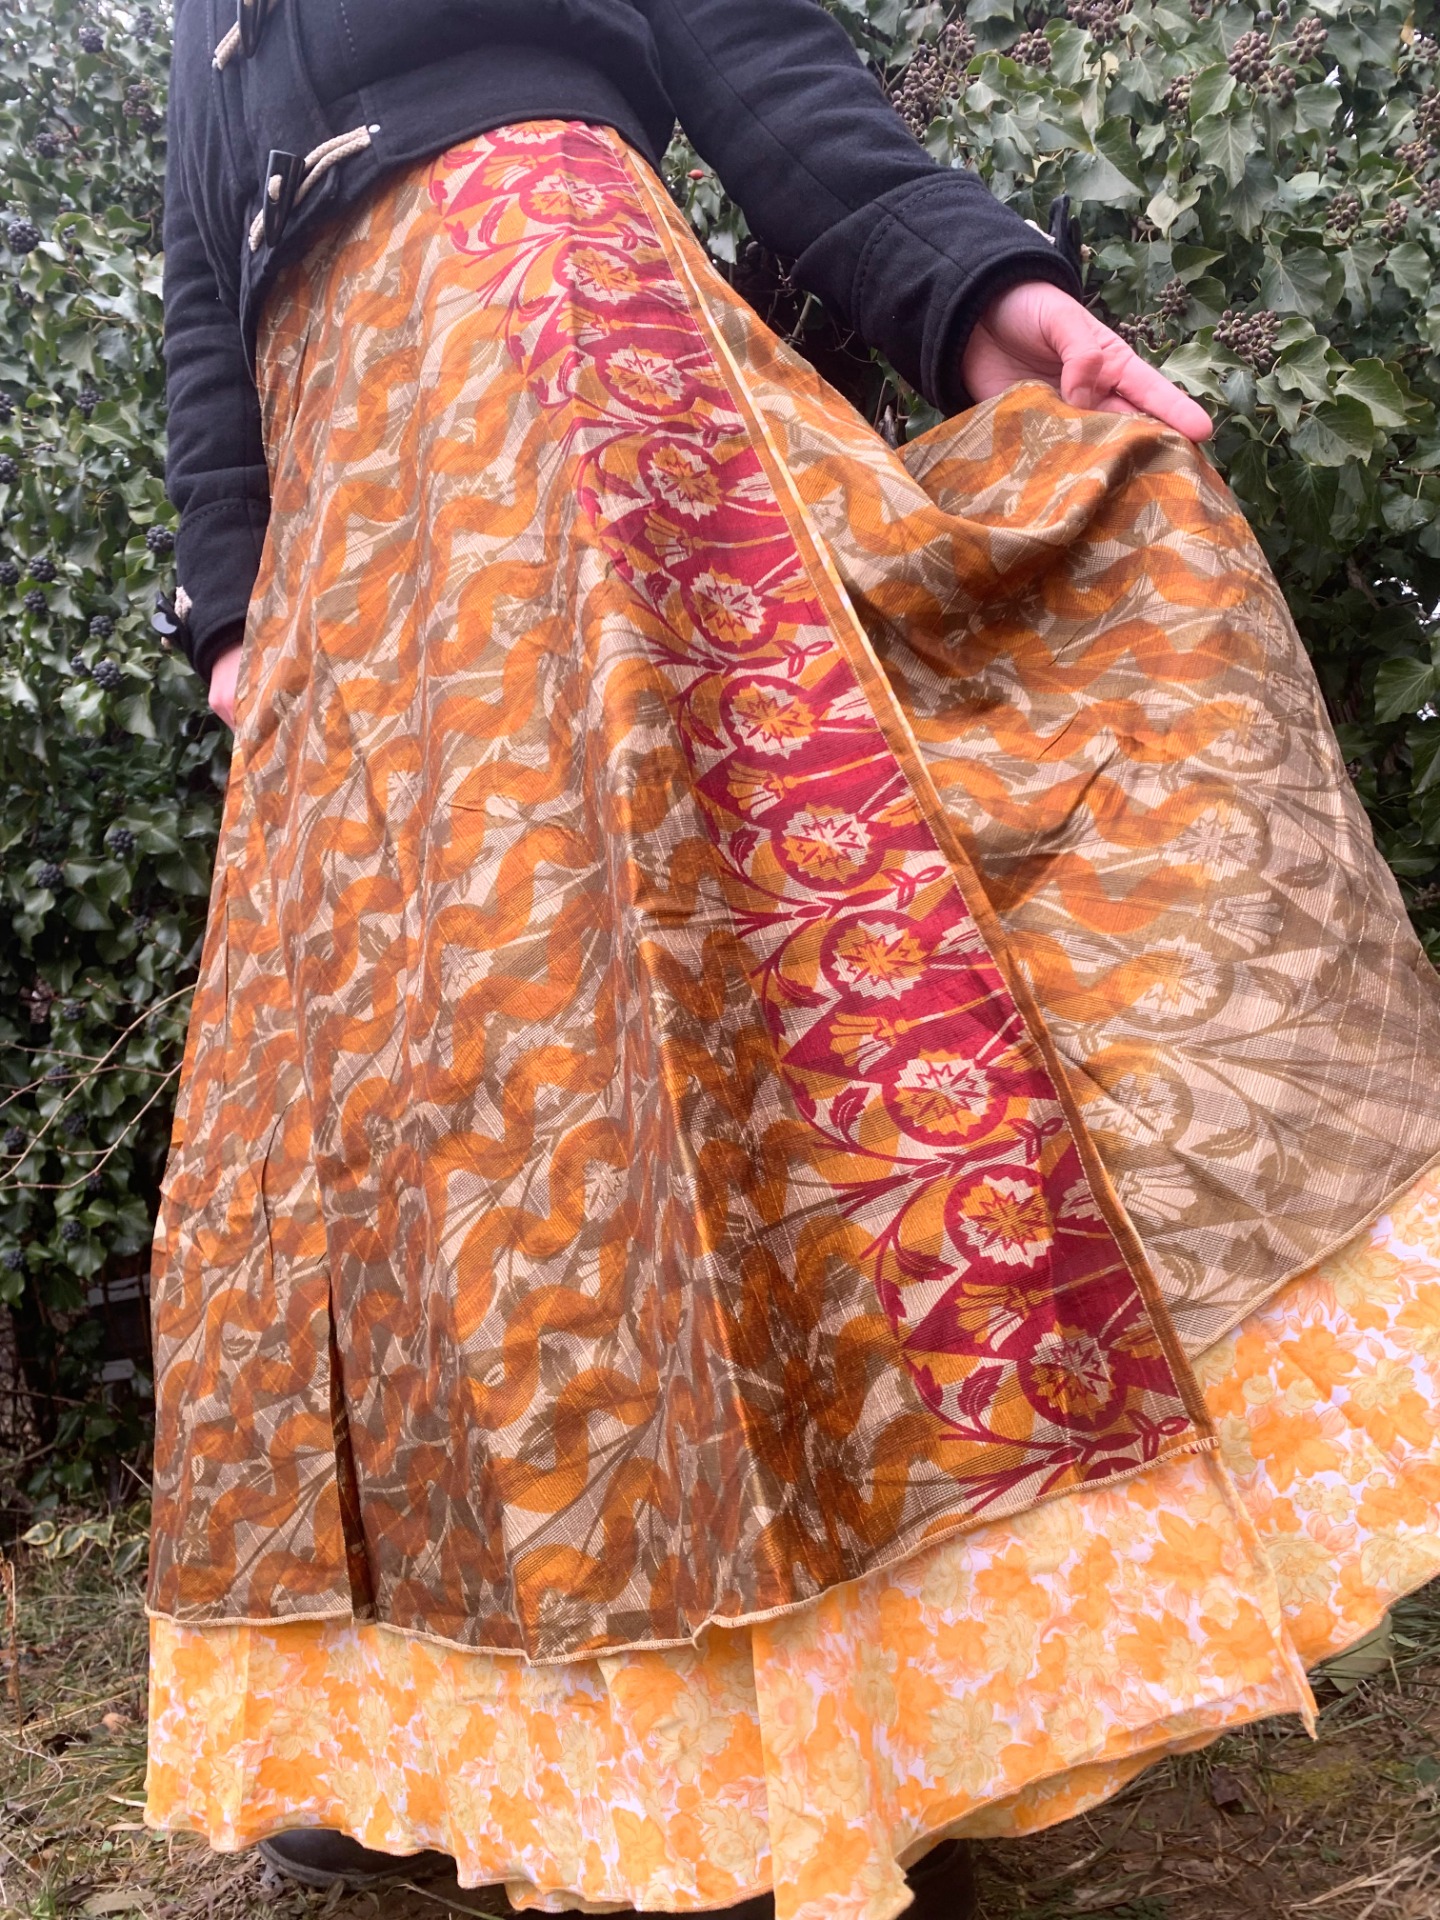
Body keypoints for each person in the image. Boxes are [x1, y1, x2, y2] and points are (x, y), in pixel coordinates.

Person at [144, 3, 1440, 1918]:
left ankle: (858, 1728)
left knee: (714, 1021)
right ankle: (513, 1743)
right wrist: (235, 602)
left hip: (556, 358)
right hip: (355, 507)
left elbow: (748, 44)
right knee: (443, 1109)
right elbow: (204, 292)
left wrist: (971, 288)